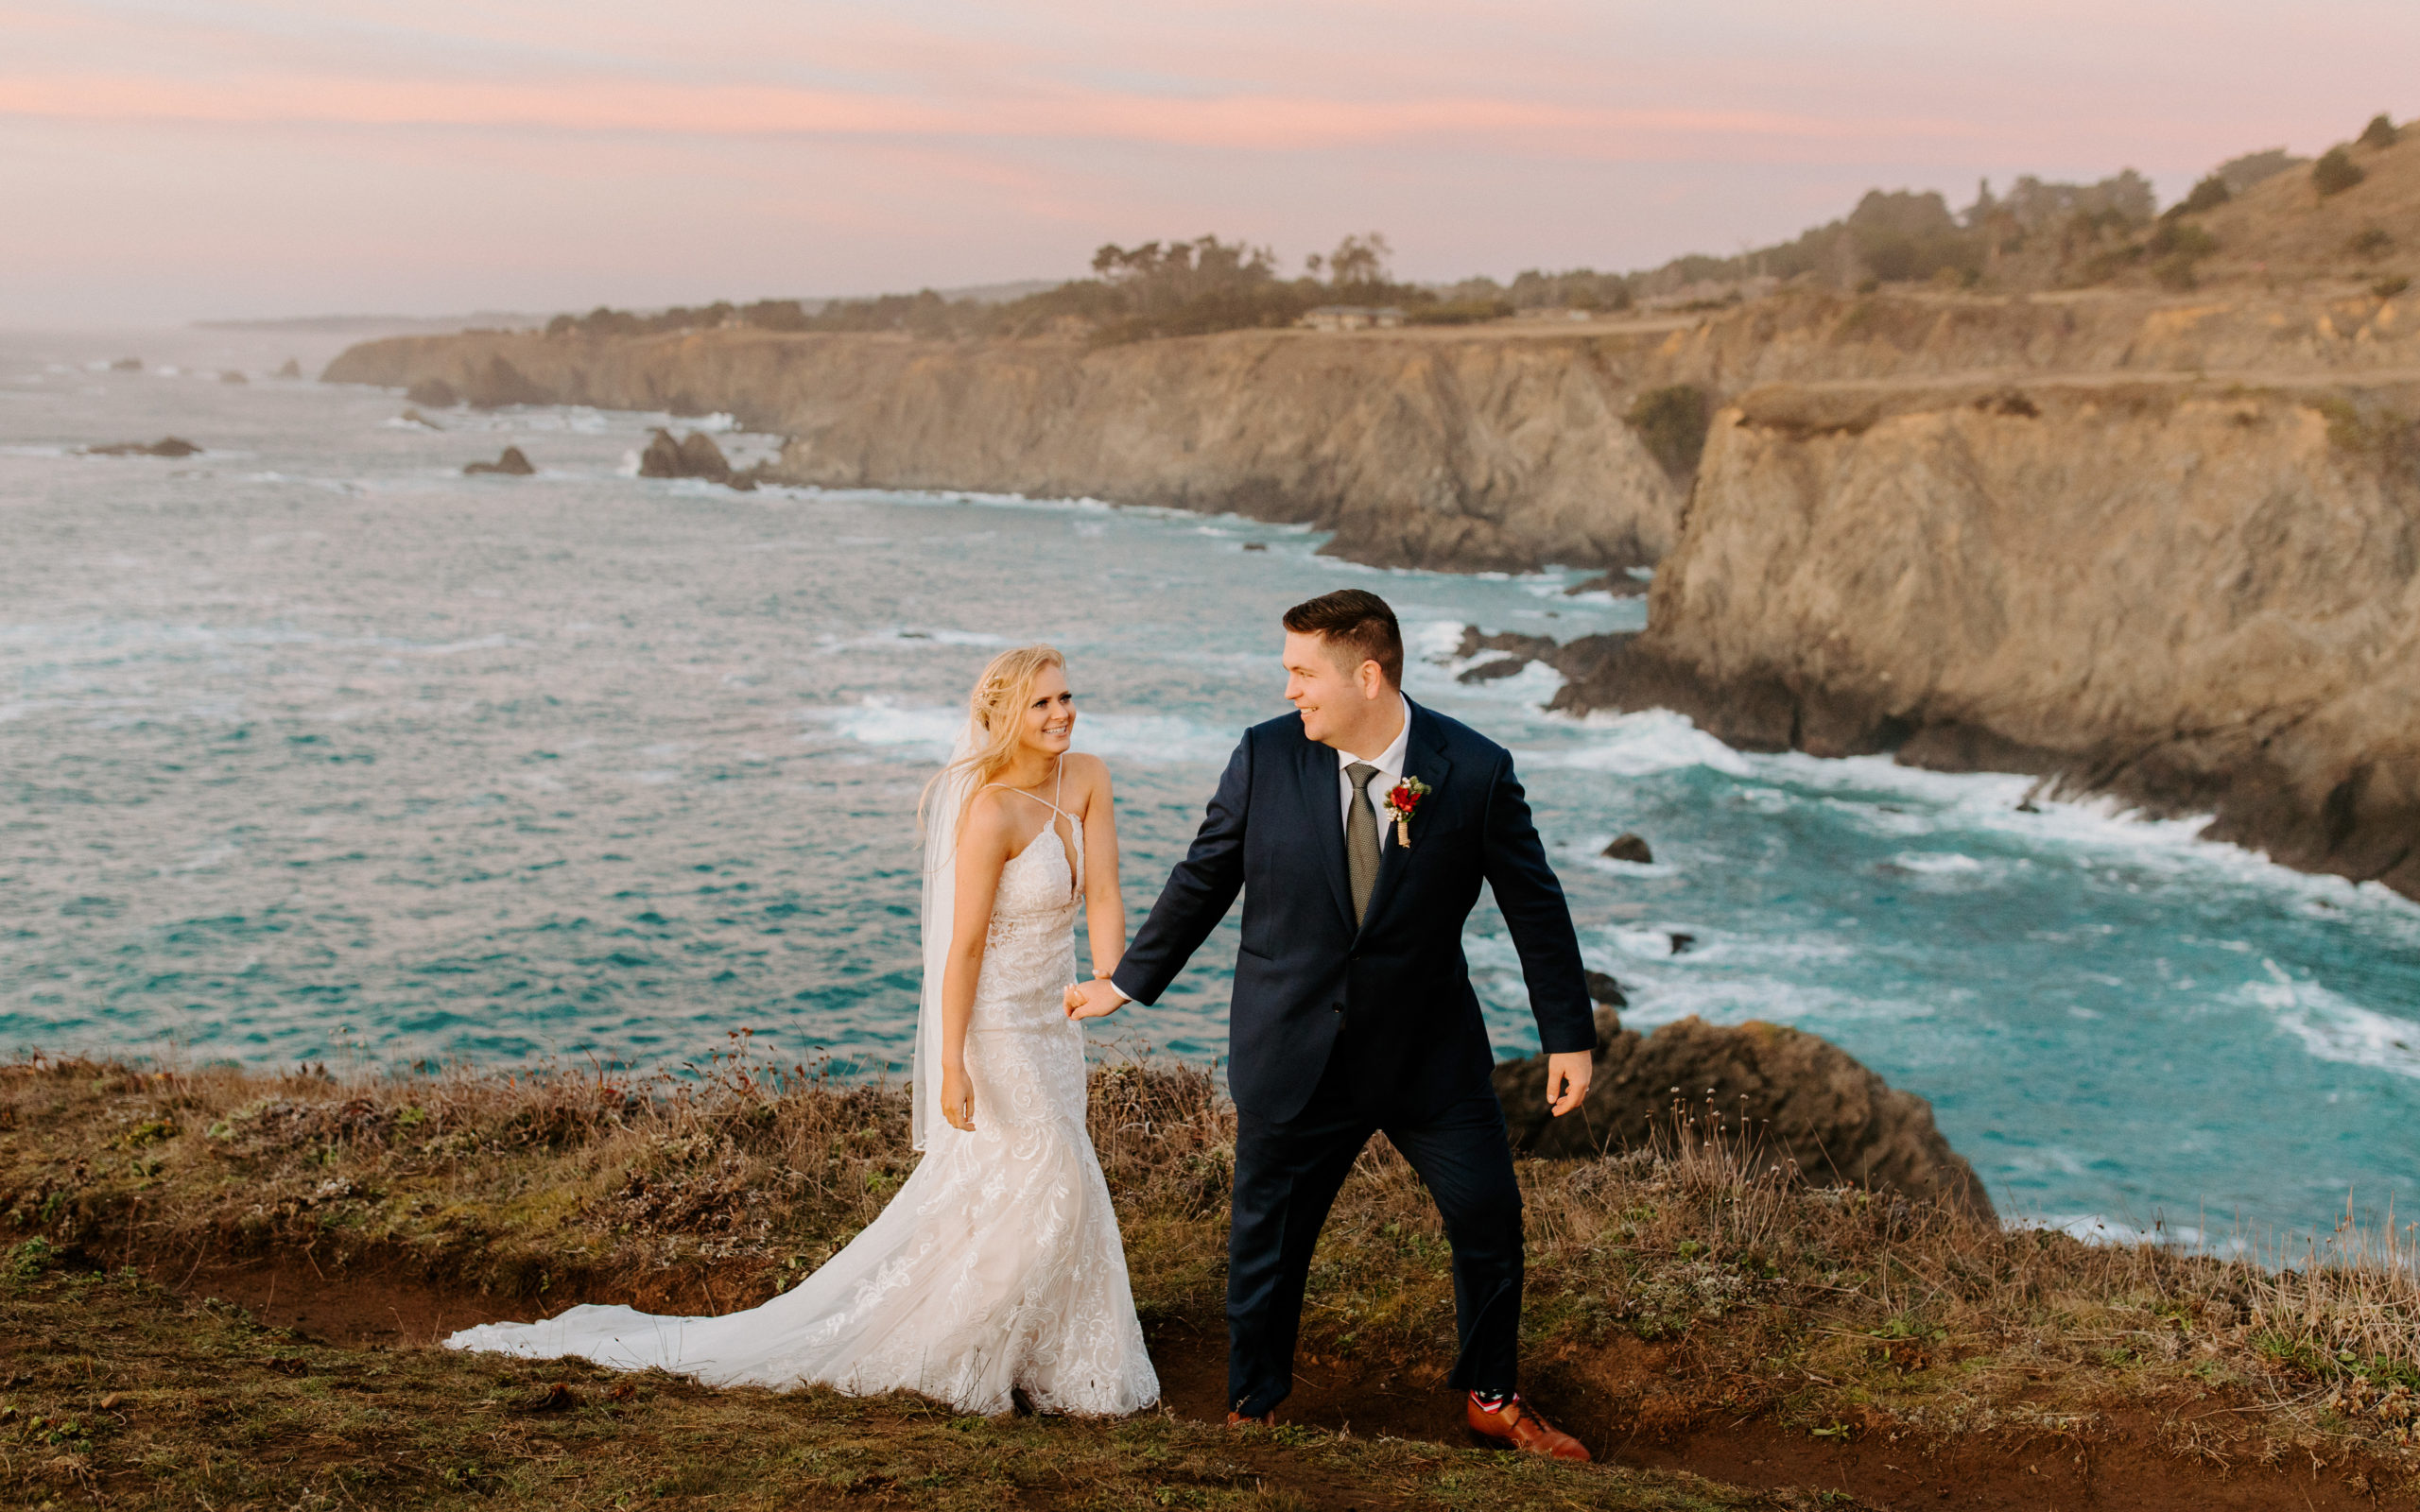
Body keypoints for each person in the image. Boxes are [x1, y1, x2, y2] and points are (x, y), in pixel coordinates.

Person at [448, 645, 1159, 1417]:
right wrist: (950, 1062)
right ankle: (960, 1345)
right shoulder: (989, 809)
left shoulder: (1088, 776)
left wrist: (1109, 980)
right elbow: (962, 948)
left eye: (1066, 697)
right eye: (1042, 704)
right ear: (1006, 718)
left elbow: (1106, 890)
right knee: (1048, 1173)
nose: (1062, 714)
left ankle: (1044, 1352)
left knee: (1039, 1186)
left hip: (1056, 1027)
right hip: (997, 1028)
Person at [1066, 589, 1596, 1460]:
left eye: (1303, 673)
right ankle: (1253, 1400)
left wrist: (1566, 1033)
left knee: (1490, 1217)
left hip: (1431, 1054)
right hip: (1294, 1046)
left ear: (1369, 674)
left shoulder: (1475, 767)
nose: (1289, 692)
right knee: (1267, 1238)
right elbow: (1204, 878)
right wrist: (1127, 980)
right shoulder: (1264, 757)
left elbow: (1535, 905)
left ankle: (1494, 1398)